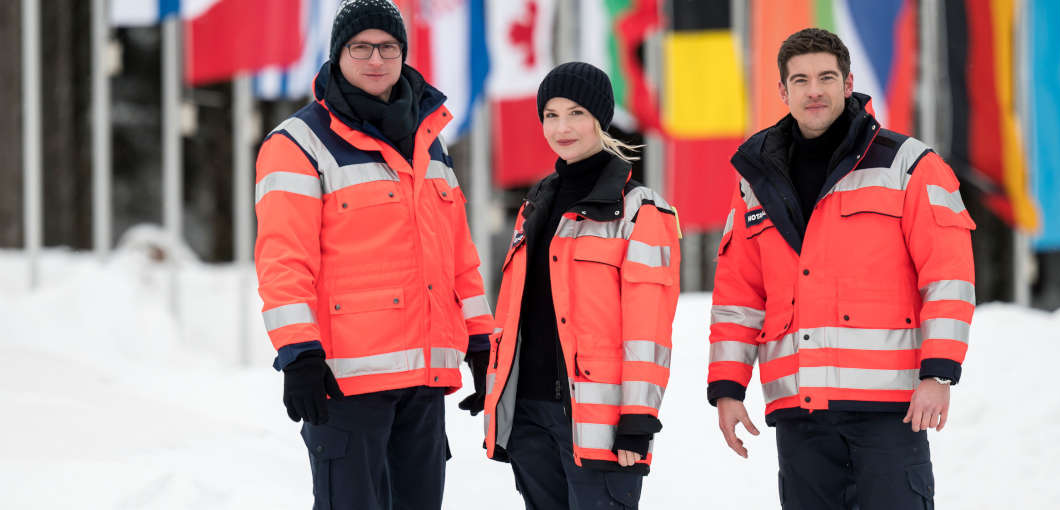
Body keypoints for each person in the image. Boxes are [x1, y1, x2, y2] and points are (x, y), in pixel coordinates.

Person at [707, 28, 976, 510]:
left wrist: (939, 374)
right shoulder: (757, 177)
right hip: (799, 411)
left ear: (848, 83)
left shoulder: (910, 165)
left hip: (890, 409)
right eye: (802, 79)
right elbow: (739, 294)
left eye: (827, 77)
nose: (815, 90)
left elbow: (948, 276)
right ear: (782, 91)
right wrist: (728, 388)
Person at [252, 1, 494, 508]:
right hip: (345, 381)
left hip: (424, 382)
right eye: (360, 47)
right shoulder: (298, 143)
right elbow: (283, 260)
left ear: (403, 54)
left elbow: (458, 257)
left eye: (388, 47)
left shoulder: (430, 142)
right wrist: (298, 352)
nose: (375, 59)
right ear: (337, 55)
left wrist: (479, 340)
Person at [480, 62, 681, 510]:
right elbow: (517, 311)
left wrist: (639, 415)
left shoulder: (641, 211)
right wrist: (495, 379)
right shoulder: (534, 204)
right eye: (550, 114)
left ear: (600, 118)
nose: (561, 127)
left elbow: (649, 331)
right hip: (529, 415)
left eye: (575, 113)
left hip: (600, 423)